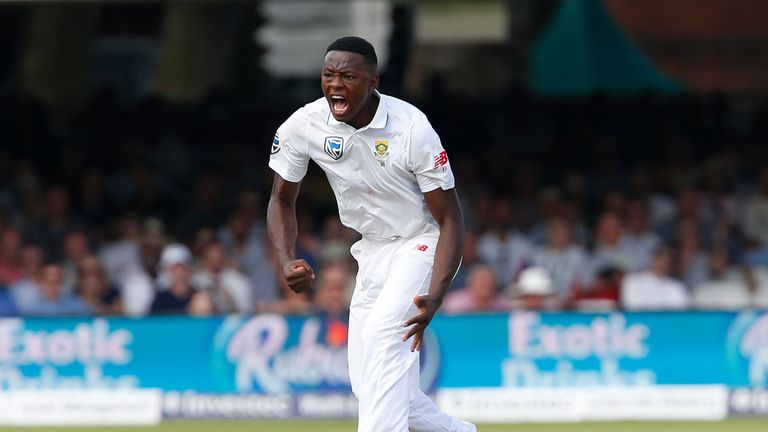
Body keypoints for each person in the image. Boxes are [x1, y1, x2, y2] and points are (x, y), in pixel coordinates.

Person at [267, 37, 475, 432]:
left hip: (422, 241)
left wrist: (437, 292)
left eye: (348, 76)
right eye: (328, 75)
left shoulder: (411, 128)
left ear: (373, 81)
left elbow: (450, 219)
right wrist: (285, 257)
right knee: (375, 386)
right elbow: (281, 199)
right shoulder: (304, 125)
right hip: (372, 250)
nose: (335, 84)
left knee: (383, 339)